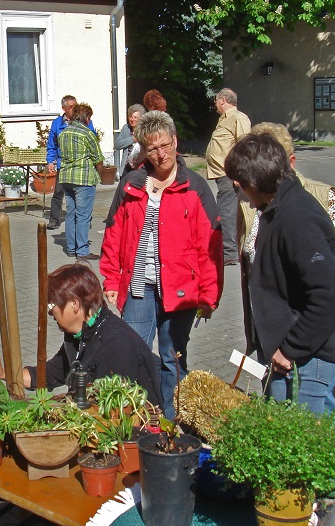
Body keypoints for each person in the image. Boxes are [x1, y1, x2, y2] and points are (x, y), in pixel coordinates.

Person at [101, 110, 223, 419]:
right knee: (132, 355)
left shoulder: (195, 187)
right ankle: (135, 420)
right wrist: (112, 281)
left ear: (175, 141)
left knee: (173, 358)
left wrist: (210, 295)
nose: (162, 153)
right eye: (153, 148)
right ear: (143, 149)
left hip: (180, 290)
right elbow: (114, 233)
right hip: (140, 286)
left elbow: (210, 246)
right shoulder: (131, 184)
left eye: (166, 145)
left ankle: (170, 421)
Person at [224, 133, 335, 414]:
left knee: (305, 451)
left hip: (308, 361)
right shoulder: (277, 206)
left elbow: (330, 295)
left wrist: (290, 349)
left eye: (241, 181)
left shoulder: (297, 218)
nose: (237, 186)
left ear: (256, 183)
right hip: (292, 355)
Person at [0, 263, 161, 405]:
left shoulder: (115, 344)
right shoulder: (79, 335)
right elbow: (50, 374)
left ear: (74, 304)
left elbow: (111, 410)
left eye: (51, 306)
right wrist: (5, 373)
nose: (50, 313)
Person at [206, 87, 251, 266]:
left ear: (223, 100)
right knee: (226, 211)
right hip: (223, 174)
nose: (215, 103)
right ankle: (229, 250)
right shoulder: (224, 119)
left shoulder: (238, 117)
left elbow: (244, 145)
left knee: (226, 212)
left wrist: (239, 172)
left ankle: (229, 252)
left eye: (216, 100)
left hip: (229, 174)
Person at [57, 103, 104, 260]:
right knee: (83, 215)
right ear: (87, 117)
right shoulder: (87, 134)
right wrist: (100, 174)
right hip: (83, 178)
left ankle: (71, 248)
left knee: (71, 213)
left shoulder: (63, 133)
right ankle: (82, 250)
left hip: (66, 177)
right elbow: (98, 158)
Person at [46, 95, 96, 230]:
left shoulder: (85, 121)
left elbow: (93, 140)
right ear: (64, 108)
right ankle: (54, 220)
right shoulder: (57, 123)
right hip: (64, 165)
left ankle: (85, 221)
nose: (75, 108)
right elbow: (52, 144)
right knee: (58, 193)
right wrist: (50, 161)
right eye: (72, 106)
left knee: (81, 197)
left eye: (75, 105)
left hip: (81, 166)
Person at [114, 103, 146, 177]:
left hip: (141, 166)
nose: (132, 119)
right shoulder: (126, 128)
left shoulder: (145, 129)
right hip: (127, 167)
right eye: (130, 117)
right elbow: (117, 145)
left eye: (135, 117)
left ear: (141, 118)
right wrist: (132, 139)